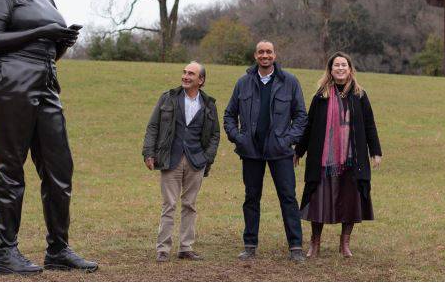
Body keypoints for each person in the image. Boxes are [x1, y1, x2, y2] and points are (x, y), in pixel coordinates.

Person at [0, 0, 97, 275]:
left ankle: (58, 249)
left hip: (46, 80)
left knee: (60, 168)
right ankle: (6, 253)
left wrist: (59, 41)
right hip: (9, 79)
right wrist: (42, 31)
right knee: (9, 166)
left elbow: (46, 48)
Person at [224, 41, 308, 262]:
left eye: (268, 52)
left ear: (275, 55)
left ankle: (296, 247)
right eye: (261, 52)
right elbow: (229, 115)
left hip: (280, 151)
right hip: (251, 151)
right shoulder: (243, 83)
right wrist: (238, 138)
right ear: (255, 55)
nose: (265, 55)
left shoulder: (289, 82)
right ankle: (250, 245)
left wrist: (288, 139)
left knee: (288, 198)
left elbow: (301, 116)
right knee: (251, 198)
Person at [295, 51, 382, 258]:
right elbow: (309, 126)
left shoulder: (360, 95)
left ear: (350, 69)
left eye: (344, 65)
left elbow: (369, 125)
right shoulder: (321, 96)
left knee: (351, 201)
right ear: (331, 70)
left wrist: (375, 151)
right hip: (324, 160)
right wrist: (299, 150)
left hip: (353, 159)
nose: (340, 68)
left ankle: (344, 244)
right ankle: (314, 244)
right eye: (336, 65)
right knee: (318, 201)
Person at [142, 61, 220, 263]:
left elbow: (215, 135)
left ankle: (186, 248)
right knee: (169, 204)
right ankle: (163, 250)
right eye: (184, 72)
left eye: (191, 74)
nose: (185, 76)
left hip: (196, 161)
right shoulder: (167, 98)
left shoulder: (209, 104)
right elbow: (153, 126)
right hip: (170, 159)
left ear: (200, 80)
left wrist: (206, 158)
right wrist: (149, 152)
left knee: (190, 205)